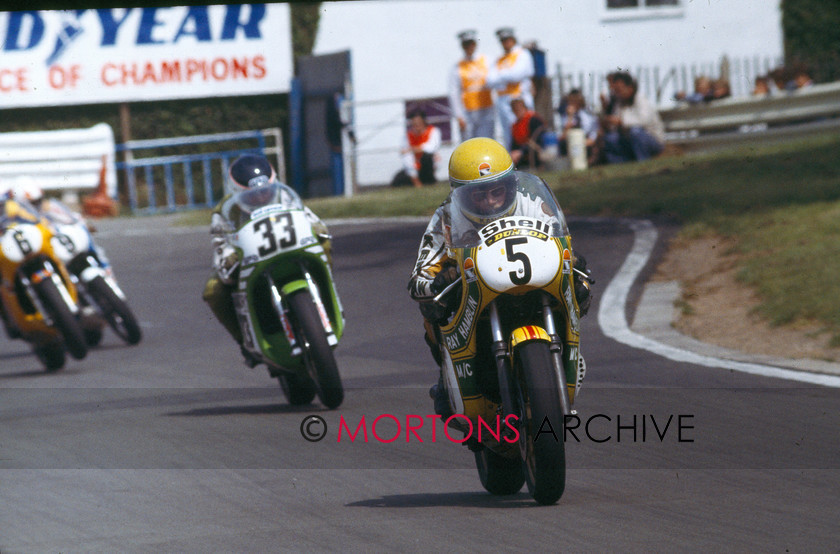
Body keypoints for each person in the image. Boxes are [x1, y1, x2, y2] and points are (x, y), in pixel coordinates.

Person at [407, 138, 592, 417]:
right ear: (459, 195)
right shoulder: (445, 217)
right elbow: (419, 277)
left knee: (582, 286)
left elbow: (560, 243)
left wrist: (575, 263)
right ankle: (447, 381)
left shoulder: (531, 202)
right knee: (432, 306)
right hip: (476, 295)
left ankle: (564, 361)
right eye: (478, 196)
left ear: (512, 186)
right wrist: (436, 283)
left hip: (530, 285)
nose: (490, 202)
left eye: (498, 191)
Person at [202, 154, 331, 367]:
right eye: (252, 194)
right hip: (252, 260)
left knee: (324, 243)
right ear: (236, 192)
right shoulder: (224, 212)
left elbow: (307, 216)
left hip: (291, 248)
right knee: (213, 290)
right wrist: (227, 257)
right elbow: (219, 243)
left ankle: (325, 292)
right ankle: (244, 342)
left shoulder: (284, 195)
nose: (261, 196)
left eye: (265, 190)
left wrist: (317, 228)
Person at [601, 72, 665, 164]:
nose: (617, 93)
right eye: (615, 90)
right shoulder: (619, 103)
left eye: (619, 90)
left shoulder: (640, 99)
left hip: (651, 140)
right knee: (610, 138)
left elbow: (643, 120)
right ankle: (623, 165)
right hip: (630, 141)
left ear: (630, 88)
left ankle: (643, 162)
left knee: (635, 132)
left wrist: (621, 122)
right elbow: (614, 125)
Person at [487, 27, 535, 148]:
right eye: (503, 40)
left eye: (508, 40)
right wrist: (508, 74)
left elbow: (517, 75)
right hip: (503, 100)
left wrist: (501, 75)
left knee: (524, 129)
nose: (506, 43)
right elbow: (489, 80)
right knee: (507, 132)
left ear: (513, 39)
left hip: (519, 97)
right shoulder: (499, 59)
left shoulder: (522, 54)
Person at [448, 29, 495, 141]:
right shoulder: (457, 67)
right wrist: (459, 116)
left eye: (471, 43)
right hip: (467, 112)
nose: (469, 47)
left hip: (486, 110)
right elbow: (453, 92)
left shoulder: (487, 60)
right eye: (466, 44)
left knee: (486, 141)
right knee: (468, 143)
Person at [391, 109, 442, 188]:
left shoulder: (433, 131)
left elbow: (431, 148)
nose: (417, 125)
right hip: (415, 168)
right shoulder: (407, 136)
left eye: (419, 123)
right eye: (414, 124)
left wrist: (412, 149)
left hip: (428, 166)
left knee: (427, 157)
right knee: (397, 181)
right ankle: (417, 183)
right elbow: (405, 154)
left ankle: (431, 181)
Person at [558, 89, 601, 166]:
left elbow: (594, 132)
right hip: (572, 143)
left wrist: (587, 141)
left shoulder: (587, 115)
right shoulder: (567, 117)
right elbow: (563, 136)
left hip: (587, 141)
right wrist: (570, 117)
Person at [509, 97, 545, 168]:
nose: (517, 112)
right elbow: (514, 144)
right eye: (515, 110)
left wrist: (521, 152)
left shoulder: (533, 120)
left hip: (534, 151)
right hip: (522, 152)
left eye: (519, 109)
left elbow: (537, 140)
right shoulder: (515, 125)